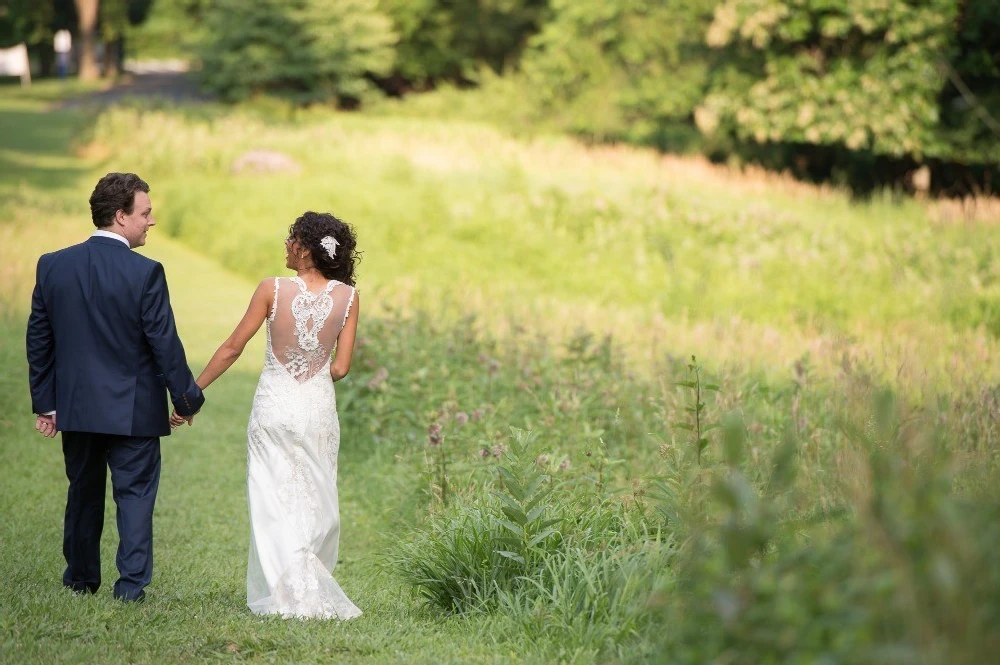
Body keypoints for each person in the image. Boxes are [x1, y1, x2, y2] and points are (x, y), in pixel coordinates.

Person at [173, 211, 361, 619]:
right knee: (315, 493)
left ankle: (284, 590)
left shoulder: (270, 289)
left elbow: (231, 348)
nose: (286, 245)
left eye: (291, 239)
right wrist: (313, 377)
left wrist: (193, 393)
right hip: (316, 406)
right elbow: (341, 367)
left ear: (306, 249)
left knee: (272, 495)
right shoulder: (348, 297)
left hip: (274, 404)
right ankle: (309, 583)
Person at [26, 172, 205, 602]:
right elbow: (164, 342)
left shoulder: (53, 264)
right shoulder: (146, 272)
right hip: (134, 409)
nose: (151, 221)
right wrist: (186, 399)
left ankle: (81, 580)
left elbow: (39, 339)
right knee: (136, 497)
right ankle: (130, 589)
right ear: (121, 216)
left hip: (77, 406)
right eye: (145, 213)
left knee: (83, 493)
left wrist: (47, 404)